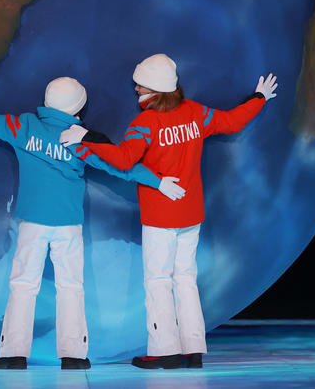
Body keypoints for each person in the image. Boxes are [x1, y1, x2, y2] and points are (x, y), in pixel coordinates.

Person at [0, 75, 187, 370]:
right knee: (71, 286)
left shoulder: (24, 126)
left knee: (23, 284)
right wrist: (157, 182)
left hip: (32, 222)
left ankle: (13, 354)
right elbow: (120, 167)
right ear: (79, 107)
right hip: (68, 224)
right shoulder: (80, 139)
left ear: (46, 101)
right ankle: (74, 355)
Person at [59, 54, 277, 370]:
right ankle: (193, 349)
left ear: (154, 89)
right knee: (186, 278)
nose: (135, 88)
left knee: (158, 280)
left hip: (160, 216)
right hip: (191, 213)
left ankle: (165, 351)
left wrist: (88, 137)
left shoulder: (145, 123)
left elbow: (122, 160)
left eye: (141, 84)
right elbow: (232, 122)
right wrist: (259, 99)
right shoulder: (196, 113)